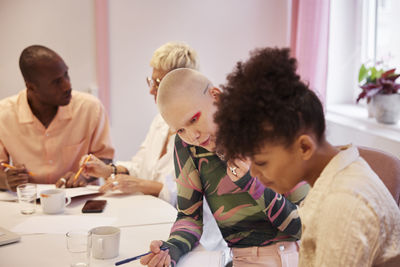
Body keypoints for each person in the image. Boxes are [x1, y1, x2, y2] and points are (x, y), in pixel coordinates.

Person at [213, 47, 400, 266]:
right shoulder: (332, 177)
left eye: (261, 161)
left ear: (304, 147)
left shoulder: (341, 205)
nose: (253, 172)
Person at [140, 68, 309, 267]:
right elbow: (189, 217)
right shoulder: (186, 146)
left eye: (194, 119)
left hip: (294, 257)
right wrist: (173, 248)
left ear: (216, 97)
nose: (191, 135)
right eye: (180, 129)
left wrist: (252, 184)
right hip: (240, 259)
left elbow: (305, 227)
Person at [0, 45, 114, 191]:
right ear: (32, 87)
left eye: (66, 75)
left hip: (78, 203)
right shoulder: (4, 114)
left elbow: (106, 159)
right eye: (56, 82)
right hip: (28, 204)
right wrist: (6, 180)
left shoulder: (90, 108)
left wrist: (83, 176)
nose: (67, 86)